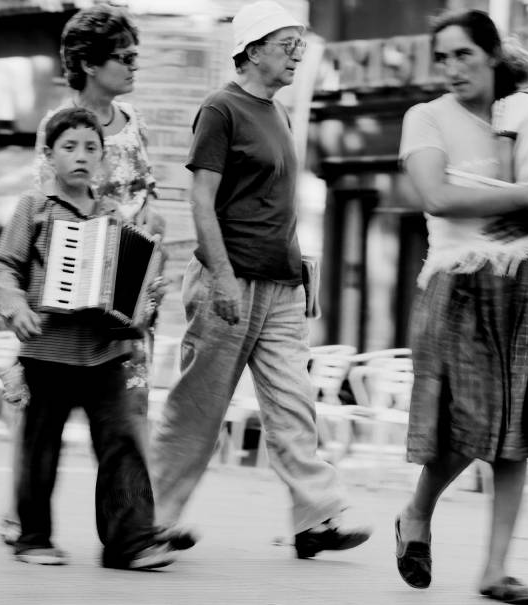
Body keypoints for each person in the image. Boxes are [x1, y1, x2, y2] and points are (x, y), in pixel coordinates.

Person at [395, 10, 528, 603]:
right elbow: (436, 195)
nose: (451, 68)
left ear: (491, 55)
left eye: (463, 54)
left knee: (517, 431)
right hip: (460, 287)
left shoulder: (527, 115)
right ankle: (417, 512)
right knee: (468, 428)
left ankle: (494, 569)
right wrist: (526, 198)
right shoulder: (426, 117)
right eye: (442, 57)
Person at [148, 0, 371, 559]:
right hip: (230, 283)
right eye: (286, 45)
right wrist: (220, 276)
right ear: (251, 49)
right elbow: (201, 200)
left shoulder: (280, 113)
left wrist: (301, 269)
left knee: (295, 403)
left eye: (300, 45)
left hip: (279, 287)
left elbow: (277, 205)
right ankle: (151, 519)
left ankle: (316, 518)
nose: (297, 54)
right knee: (198, 409)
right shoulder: (220, 109)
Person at [0, 3, 166, 547]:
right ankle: (25, 520)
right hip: (69, 291)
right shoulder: (60, 128)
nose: (134, 65)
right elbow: (39, 217)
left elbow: (149, 192)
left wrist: (152, 235)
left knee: (125, 412)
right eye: (125, 56)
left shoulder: (135, 121)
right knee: (44, 424)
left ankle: (131, 528)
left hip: (127, 291)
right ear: (91, 63)